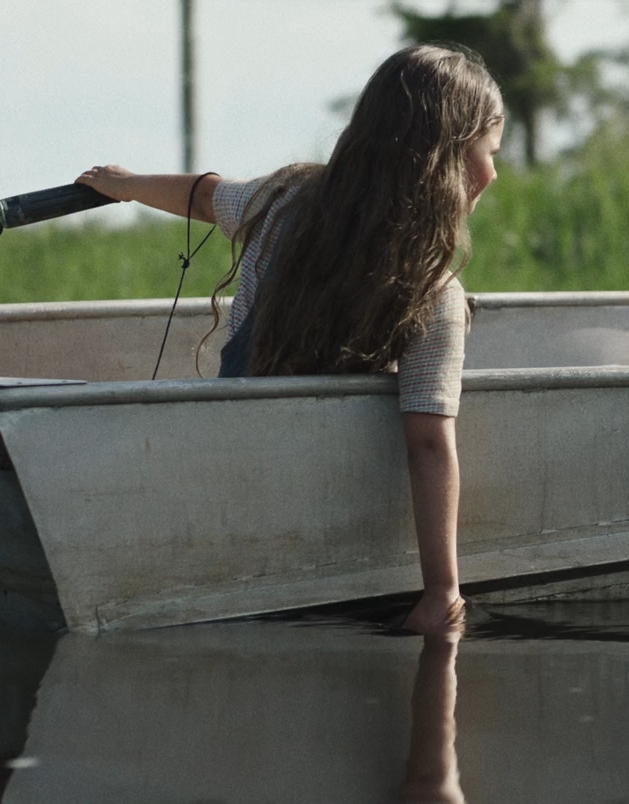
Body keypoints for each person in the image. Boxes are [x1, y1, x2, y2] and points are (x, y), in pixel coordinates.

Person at [75, 44, 504, 636]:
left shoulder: (279, 203)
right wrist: (442, 591)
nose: (493, 174)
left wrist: (127, 185)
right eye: (490, 152)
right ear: (446, 161)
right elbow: (428, 443)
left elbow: (204, 195)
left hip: (228, 478)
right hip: (321, 515)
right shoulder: (432, 293)